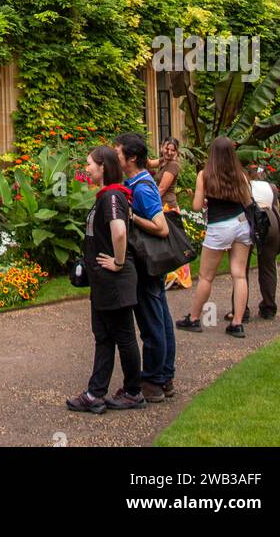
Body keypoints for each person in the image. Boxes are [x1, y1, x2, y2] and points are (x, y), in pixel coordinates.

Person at [66, 145, 145, 414]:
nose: (86, 168)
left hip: (114, 281)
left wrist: (118, 262)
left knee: (123, 335)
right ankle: (95, 393)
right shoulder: (109, 195)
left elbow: (120, 232)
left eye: (90, 164)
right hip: (104, 282)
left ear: (103, 167)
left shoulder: (111, 196)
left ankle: (134, 392)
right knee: (104, 336)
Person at [114, 133, 175, 402]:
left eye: (118, 153)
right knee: (160, 317)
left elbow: (161, 228)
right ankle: (164, 377)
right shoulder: (137, 182)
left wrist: (132, 217)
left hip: (148, 263)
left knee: (152, 322)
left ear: (131, 157)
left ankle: (153, 381)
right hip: (149, 264)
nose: (115, 157)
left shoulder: (142, 187)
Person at [176, 136, 251, 337]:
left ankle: (193, 318)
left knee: (206, 277)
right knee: (240, 274)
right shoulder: (240, 175)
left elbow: (196, 206)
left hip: (219, 226)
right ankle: (237, 323)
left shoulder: (205, 175)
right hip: (242, 224)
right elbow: (247, 201)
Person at [225, 166, 280, 323]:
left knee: (241, 268)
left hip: (251, 220)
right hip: (270, 220)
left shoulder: (244, 185)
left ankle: (241, 311)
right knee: (268, 266)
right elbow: (277, 207)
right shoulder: (272, 187)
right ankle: (269, 308)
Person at [154, 137, 192, 291]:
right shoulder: (163, 161)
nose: (169, 152)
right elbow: (150, 162)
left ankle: (175, 276)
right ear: (162, 147)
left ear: (176, 152)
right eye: (166, 148)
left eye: (172, 150)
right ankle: (171, 276)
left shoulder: (173, 166)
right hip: (163, 206)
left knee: (171, 244)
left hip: (167, 207)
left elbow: (162, 188)